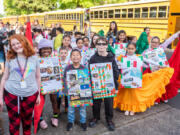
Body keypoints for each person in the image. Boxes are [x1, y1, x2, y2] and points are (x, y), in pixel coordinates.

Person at [114, 42, 174, 115]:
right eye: (129, 48)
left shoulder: (138, 57)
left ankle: (133, 108)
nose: (130, 50)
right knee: (127, 94)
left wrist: (159, 65)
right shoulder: (122, 58)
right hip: (126, 79)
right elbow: (115, 63)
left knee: (134, 94)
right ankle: (127, 107)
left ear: (135, 49)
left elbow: (148, 61)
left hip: (135, 79)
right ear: (126, 49)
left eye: (132, 49)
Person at [0, 34, 41, 135]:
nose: (16, 46)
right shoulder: (10, 58)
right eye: (13, 45)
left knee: (27, 122)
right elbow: (4, 77)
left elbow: (38, 77)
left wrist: (38, 94)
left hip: (31, 94)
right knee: (14, 123)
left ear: (24, 42)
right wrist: (0, 97)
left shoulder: (34, 58)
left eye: (18, 43)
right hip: (12, 94)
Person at [89, 37, 119, 131]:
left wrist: (116, 86)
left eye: (103, 44)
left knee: (109, 103)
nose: (101, 46)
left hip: (109, 85)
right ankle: (96, 117)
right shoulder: (93, 58)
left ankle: (109, 119)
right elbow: (90, 72)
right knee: (96, 102)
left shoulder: (111, 57)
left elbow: (115, 72)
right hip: (97, 85)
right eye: (99, 44)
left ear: (106, 45)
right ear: (96, 45)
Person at [38, 38, 61, 128]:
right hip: (41, 85)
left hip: (53, 83)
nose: (46, 50)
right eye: (44, 49)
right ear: (40, 50)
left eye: (48, 48)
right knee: (40, 102)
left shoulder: (55, 58)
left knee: (54, 100)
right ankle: (40, 119)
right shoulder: (37, 59)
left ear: (51, 49)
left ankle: (55, 117)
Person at [64, 49, 87, 131]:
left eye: (77, 55)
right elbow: (64, 79)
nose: (75, 57)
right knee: (70, 109)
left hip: (82, 92)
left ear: (81, 57)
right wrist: (66, 91)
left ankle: (83, 121)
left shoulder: (84, 68)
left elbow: (86, 80)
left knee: (83, 109)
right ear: (70, 57)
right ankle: (70, 121)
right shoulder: (68, 68)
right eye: (73, 55)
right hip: (71, 93)